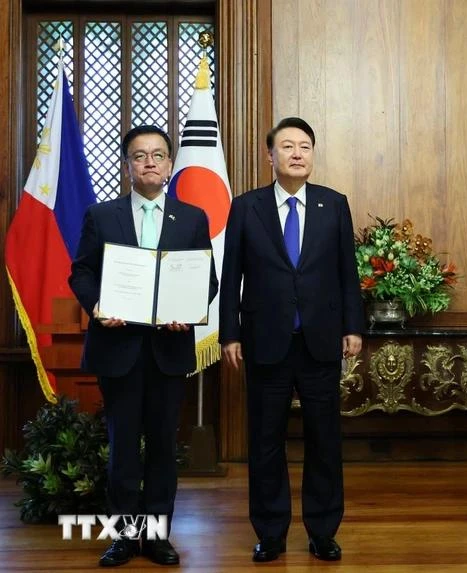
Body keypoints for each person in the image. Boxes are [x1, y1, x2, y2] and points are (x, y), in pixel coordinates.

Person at [69, 125, 218, 567]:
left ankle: (157, 538)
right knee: (122, 447)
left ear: (171, 164)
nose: (150, 162)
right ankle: (123, 537)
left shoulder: (192, 218)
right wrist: (97, 305)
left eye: (157, 154)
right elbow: (81, 272)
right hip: (119, 348)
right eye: (140, 156)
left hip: (168, 350)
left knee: (161, 448)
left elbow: (205, 279)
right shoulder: (103, 215)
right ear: (128, 165)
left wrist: (187, 310)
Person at [219, 117, 364, 563]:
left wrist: (353, 327)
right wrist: (230, 334)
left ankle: (322, 531)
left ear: (313, 155)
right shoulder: (247, 207)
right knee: (265, 441)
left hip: (320, 342)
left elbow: (347, 273)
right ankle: (271, 532)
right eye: (287, 146)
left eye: (305, 146)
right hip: (265, 341)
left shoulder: (333, 204)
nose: (297, 153)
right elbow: (232, 278)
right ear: (270, 156)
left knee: (325, 441)